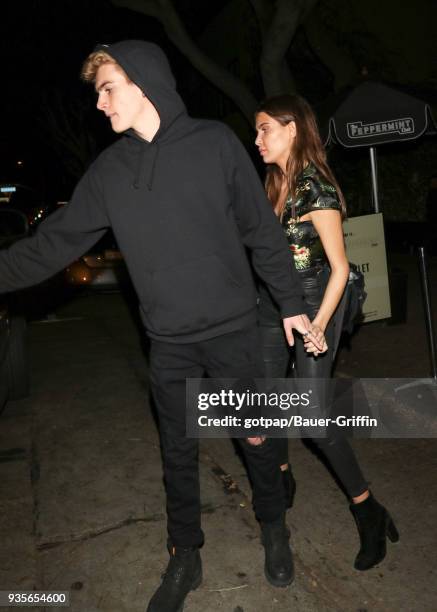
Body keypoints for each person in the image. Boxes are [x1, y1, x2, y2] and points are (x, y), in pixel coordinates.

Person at [0, 42, 325, 611]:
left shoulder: (216, 145)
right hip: (169, 342)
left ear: (143, 81)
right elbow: (53, 244)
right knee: (177, 450)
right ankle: (185, 555)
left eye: (106, 88)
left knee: (256, 438)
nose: (99, 104)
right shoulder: (109, 172)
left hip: (232, 331)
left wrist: (291, 302)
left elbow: (260, 230)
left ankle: (274, 526)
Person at [254, 94, 399, 571]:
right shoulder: (275, 183)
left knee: (313, 418)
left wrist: (317, 326)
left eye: (264, 130)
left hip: (318, 301)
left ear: (291, 129)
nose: (257, 139)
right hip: (272, 304)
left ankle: (367, 509)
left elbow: (339, 268)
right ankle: (280, 474)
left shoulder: (316, 189)